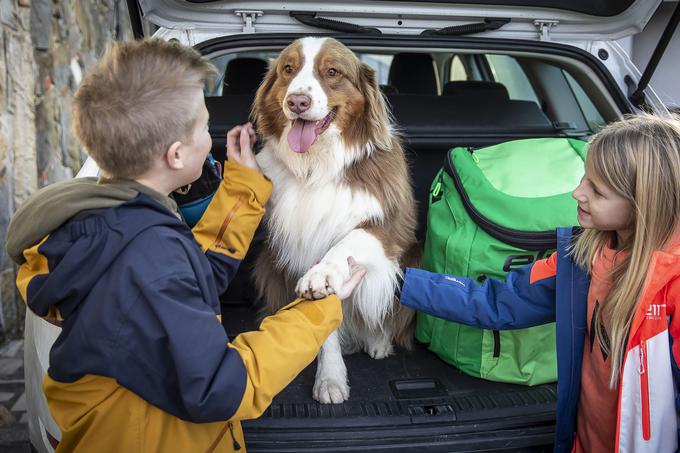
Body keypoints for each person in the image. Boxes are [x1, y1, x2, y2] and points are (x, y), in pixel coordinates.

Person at [6, 38, 365, 453]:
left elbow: (193, 276)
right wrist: (318, 309)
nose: (208, 133)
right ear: (177, 155)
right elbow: (219, 387)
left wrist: (243, 190)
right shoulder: (148, 257)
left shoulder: (118, 225)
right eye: (202, 126)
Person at [398, 114, 680, 453]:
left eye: (598, 191)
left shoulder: (672, 287)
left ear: (644, 204)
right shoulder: (579, 260)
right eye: (583, 179)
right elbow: (496, 301)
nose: (578, 193)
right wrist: (395, 280)